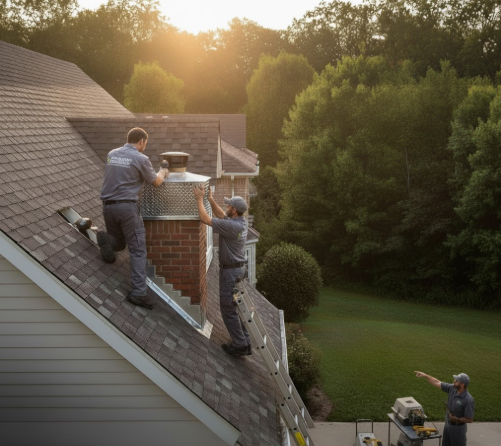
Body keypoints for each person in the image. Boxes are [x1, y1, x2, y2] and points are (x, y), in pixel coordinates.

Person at [98, 127, 169, 309]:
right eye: (146, 143)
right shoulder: (140, 158)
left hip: (108, 206)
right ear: (142, 141)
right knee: (138, 250)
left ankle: (107, 240)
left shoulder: (112, 154)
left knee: (120, 242)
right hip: (127, 208)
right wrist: (163, 171)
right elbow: (156, 182)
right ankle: (138, 292)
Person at [193, 184, 251, 356]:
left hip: (231, 273)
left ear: (234, 210)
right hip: (238, 270)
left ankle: (240, 344)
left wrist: (199, 199)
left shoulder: (233, 227)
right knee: (236, 308)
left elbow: (205, 219)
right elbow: (221, 216)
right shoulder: (240, 223)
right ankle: (246, 341)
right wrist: (210, 199)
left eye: (228, 206)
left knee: (227, 308)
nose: (226, 207)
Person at [414, 371, 474, 446]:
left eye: (456, 380)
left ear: (462, 384)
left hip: (458, 429)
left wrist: (457, 419)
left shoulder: (468, 400)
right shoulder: (452, 388)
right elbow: (437, 382)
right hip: (448, 425)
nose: (454, 381)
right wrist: (425, 376)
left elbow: (470, 419)